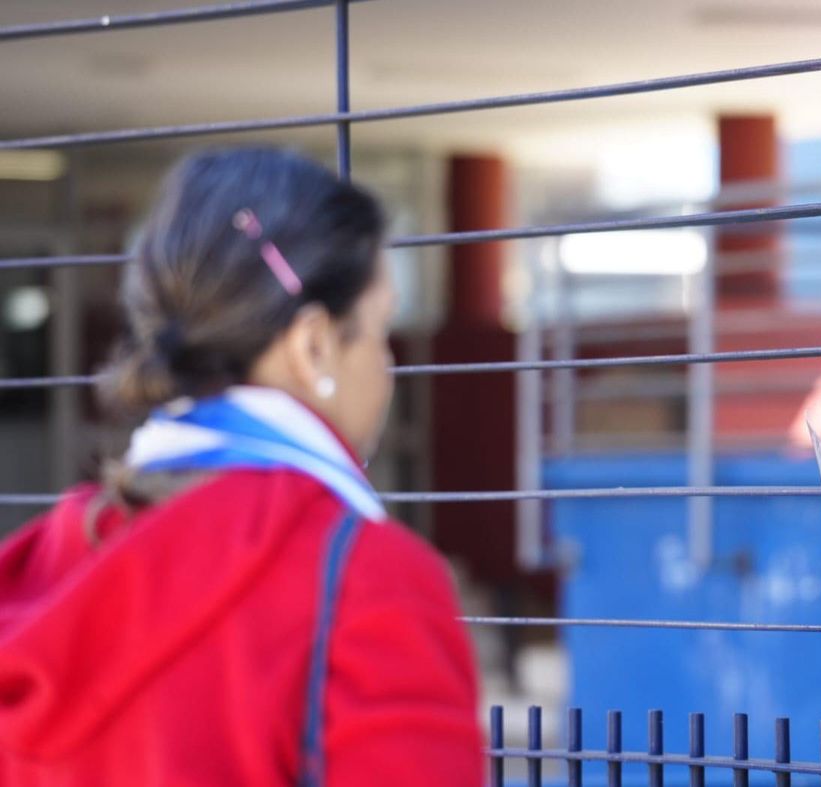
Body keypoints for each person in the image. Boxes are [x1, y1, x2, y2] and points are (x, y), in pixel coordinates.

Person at [0, 148, 483, 785]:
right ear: (314, 346)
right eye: (379, 328)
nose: (386, 364)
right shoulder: (366, 583)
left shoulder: (38, 564)